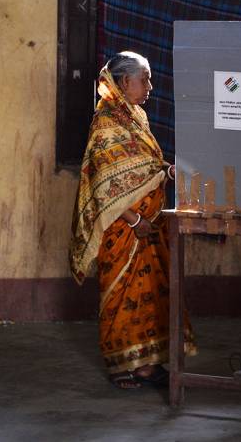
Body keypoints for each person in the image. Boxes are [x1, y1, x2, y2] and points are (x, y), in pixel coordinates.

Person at [69, 51, 196, 390]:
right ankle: (120, 366)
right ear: (126, 82)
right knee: (122, 294)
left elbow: (144, 165)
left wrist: (167, 170)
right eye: (146, 79)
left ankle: (147, 366)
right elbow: (102, 183)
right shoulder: (106, 124)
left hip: (150, 225)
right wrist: (133, 217)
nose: (151, 86)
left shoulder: (137, 117)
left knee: (153, 292)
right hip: (124, 227)